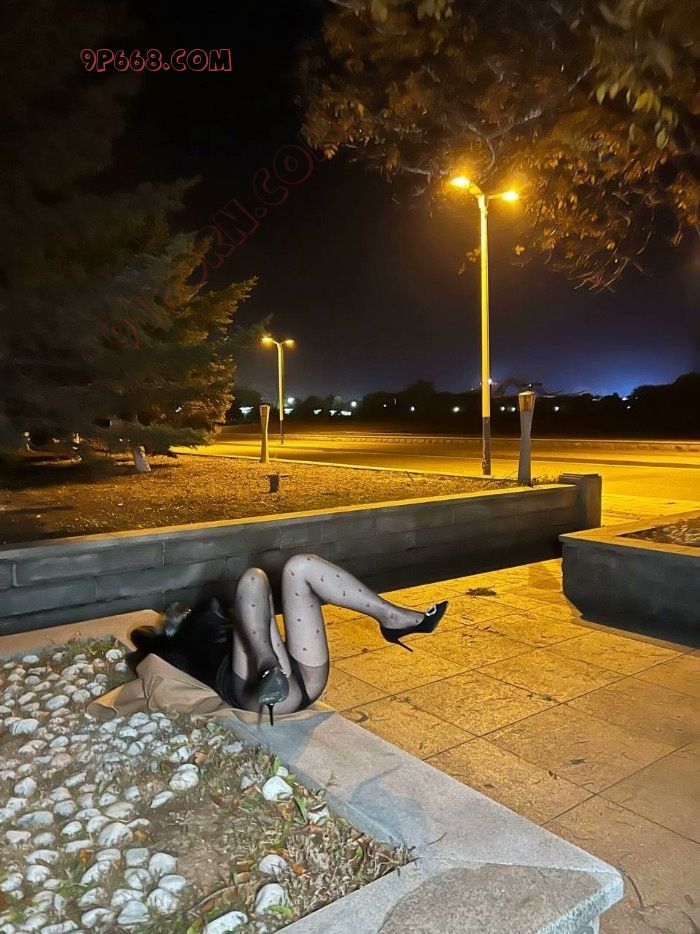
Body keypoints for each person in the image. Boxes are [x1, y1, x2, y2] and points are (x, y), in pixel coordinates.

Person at [129, 553, 448, 724]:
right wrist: (169, 630)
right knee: (253, 578)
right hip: (250, 685)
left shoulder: (206, 618)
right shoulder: (176, 643)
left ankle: (392, 618)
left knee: (300, 566)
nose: (176, 611)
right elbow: (144, 644)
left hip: (296, 676)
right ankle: (268, 668)